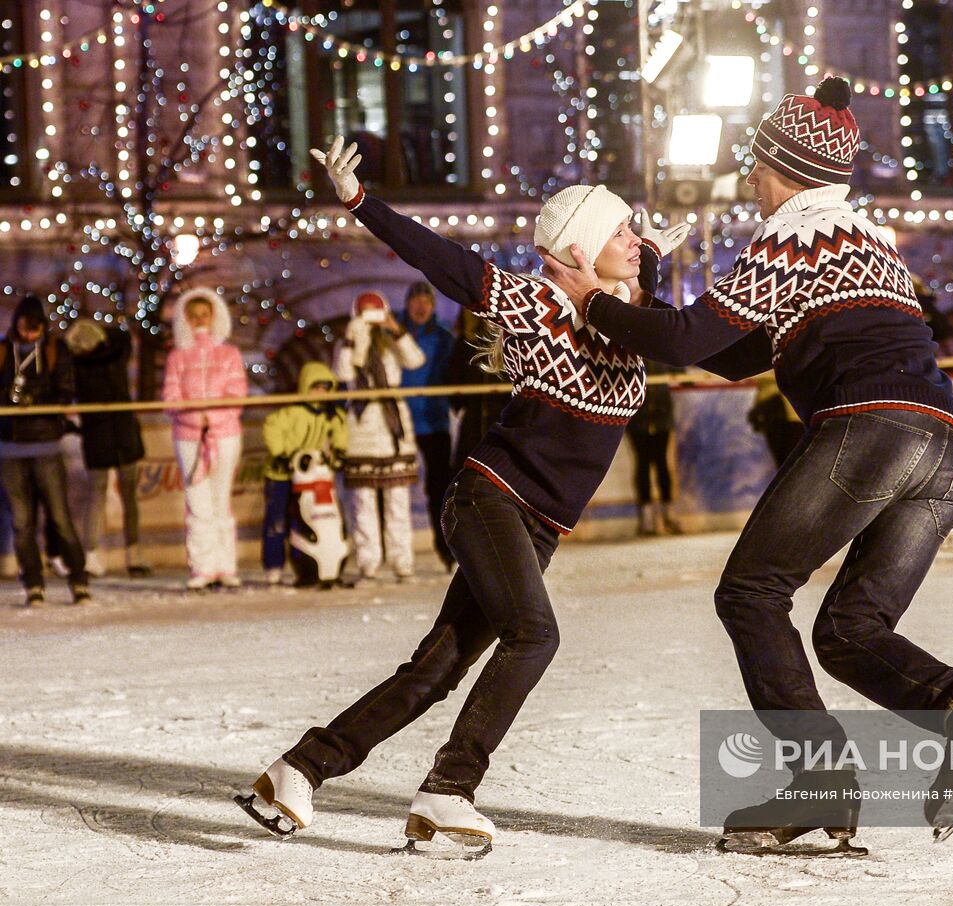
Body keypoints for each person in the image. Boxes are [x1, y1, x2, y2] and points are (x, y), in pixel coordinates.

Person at [542, 78, 953, 852]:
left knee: (751, 592)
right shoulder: (870, 238)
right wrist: (653, 289)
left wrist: (594, 300)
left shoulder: (794, 237)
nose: (748, 180)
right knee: (849, 630)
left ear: (785, 169)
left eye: (756, 166)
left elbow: (681, 345)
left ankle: (822, 782)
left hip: (871, 428)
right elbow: (732, 354)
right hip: (945, 445)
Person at [238, 136, 686, 849]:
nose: (634, 239)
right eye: (620, 231)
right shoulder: (537, 304)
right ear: (579, 247)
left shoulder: (626, 320)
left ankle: (300, 768)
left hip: (538, 526)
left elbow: (656, 315)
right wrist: (362, 203)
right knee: (535, 636)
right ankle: (450, 787)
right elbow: (443, 262)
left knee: (437, 669)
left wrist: (649, 256)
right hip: (490, 500)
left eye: (633, 230)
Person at [0, 295, 90, 605]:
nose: (28, 336)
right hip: (10, 450)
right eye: (24, 330)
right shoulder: (2, 351)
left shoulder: (54, 349)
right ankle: (33, 583)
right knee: (22, 523)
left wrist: (36, 400)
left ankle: (78, 579)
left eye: (34, 331)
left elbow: (67, 391)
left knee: (59, 516)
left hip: (46, 445)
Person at [334, 291, 426, 582]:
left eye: (376, 311)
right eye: (365, 311)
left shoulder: (392, 342)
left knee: (397, 499)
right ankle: (368, 562)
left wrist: (394, 329)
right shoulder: (347, 343)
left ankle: (402, 561)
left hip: (392, 425)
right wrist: (352, 336)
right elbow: (342, 371)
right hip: (360, 425)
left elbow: (415, 360)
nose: (371, 317)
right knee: (362, 501)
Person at [163, 287, 246, 589]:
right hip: (190, 438)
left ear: (214, 317)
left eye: (204, 315)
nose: (199, 320)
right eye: (193, 315)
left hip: (224, 436)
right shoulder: (177, 356)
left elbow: (237, 395)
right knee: (198, 502)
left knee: (221, 500)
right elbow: (171, 398)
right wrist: (197, 418)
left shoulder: (229, 354)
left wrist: (214, 419)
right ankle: (202, 566)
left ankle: (225, 565)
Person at [65, 319, 149, 577]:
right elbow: (122, 337)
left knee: (116, 495)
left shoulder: (87, 361)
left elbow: (122, 336)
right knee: (106, 494)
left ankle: (122, 553)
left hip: (112, 431)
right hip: (107, 432)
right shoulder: (109, 356)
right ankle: (99, 554)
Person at [261, 361, 346, 585]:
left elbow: (340, 433)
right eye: (316, 387)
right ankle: (274, 566)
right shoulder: (292, 411)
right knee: (277, 520)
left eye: (325, 388)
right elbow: (272, 426)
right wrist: (282, 454)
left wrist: (338, 453)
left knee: (311, 519)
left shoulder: (331, 414)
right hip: (282, 475)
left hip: (313, 477)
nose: (320, 392)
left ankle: (313, 562)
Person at [397, 281, 457, 570]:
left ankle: (447, 551)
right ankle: (392, 555)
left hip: (434, 422)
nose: (420, 307)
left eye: (426, 302)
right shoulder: (392, 334)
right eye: (415, 301)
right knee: (392, 490)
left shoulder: (444, 337)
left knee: (439, 490)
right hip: (399, 424)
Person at [443, 304, 510, 472]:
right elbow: (453, 375)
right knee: (469, 465)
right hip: (473, 417)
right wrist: (458, 402)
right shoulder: (467, 343)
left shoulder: (514, 343)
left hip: (504, 416)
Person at [628, 358, 681, 536]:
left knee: (661, 464)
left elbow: (681, 370)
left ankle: (669, 514)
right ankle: (647, 518)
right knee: (642, 464)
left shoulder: (662, 347)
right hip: (637, 418)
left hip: (662, 417)